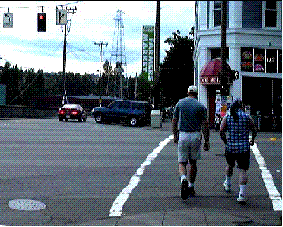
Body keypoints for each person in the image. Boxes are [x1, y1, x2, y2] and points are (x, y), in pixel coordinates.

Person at [172, 85, 210, 200]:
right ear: (196, 94)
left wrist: (175, 135)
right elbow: (205, 124)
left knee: (182, 162)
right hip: (195, 135)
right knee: (193, 163)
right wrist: (206, 140)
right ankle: (191, 186)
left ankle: (183, 178)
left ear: (188, 92)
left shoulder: (180, 103)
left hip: (183, 134)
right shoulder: (200, 106)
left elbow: (175, 120)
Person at [219, 99, 257, 204]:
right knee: (243, 170)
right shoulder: (247, 117)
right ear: (241, 107)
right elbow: (254, 129)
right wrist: (252, 139)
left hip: (230, 147)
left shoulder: (227, 117)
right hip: (244, 148)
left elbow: (221, 131)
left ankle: (228, 183)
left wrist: (226, 142)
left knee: (229, 165)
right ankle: (242, 194)